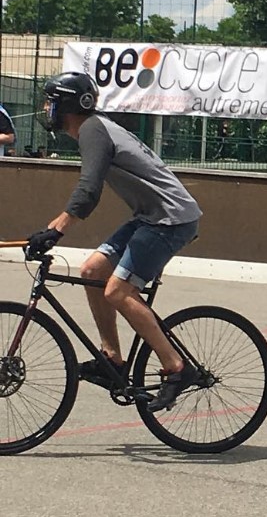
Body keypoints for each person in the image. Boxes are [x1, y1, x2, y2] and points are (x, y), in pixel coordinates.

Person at [25, 72, 202, 413]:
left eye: (52, 100)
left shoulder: (93, 129)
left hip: (171, 218)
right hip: (153, 215)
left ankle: (177, 368)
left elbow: (89, 190)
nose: (46, 107)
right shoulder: (95, 129)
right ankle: (113, 359)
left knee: (117, 291)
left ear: (70, 105)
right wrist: (56, 228)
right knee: (93, 270)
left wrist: (57, 230)